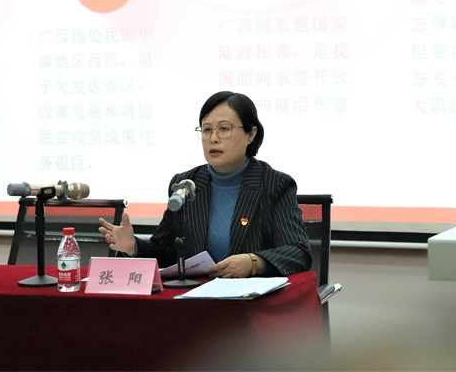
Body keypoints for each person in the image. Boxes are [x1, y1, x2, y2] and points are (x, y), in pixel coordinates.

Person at [98, 91, 311, 278]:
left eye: (224, 129)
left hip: (252, 302)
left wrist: (254, 262)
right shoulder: (185, 184)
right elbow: (165, 252)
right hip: (196, 299)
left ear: (251, 134)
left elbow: (298, 251)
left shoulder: (275, 185)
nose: (213, 138)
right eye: (206, 130)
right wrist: (133, 246)